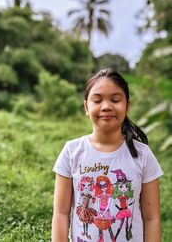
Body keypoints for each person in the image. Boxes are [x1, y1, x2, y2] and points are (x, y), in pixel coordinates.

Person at [52, 69, 163, 242]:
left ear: (127, 106)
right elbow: (60, 213)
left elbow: (152, 219)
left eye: (115, 100)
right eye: (97, 100)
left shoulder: (143, 154)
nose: (106, 106)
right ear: (86, 107)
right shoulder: (71, 152)